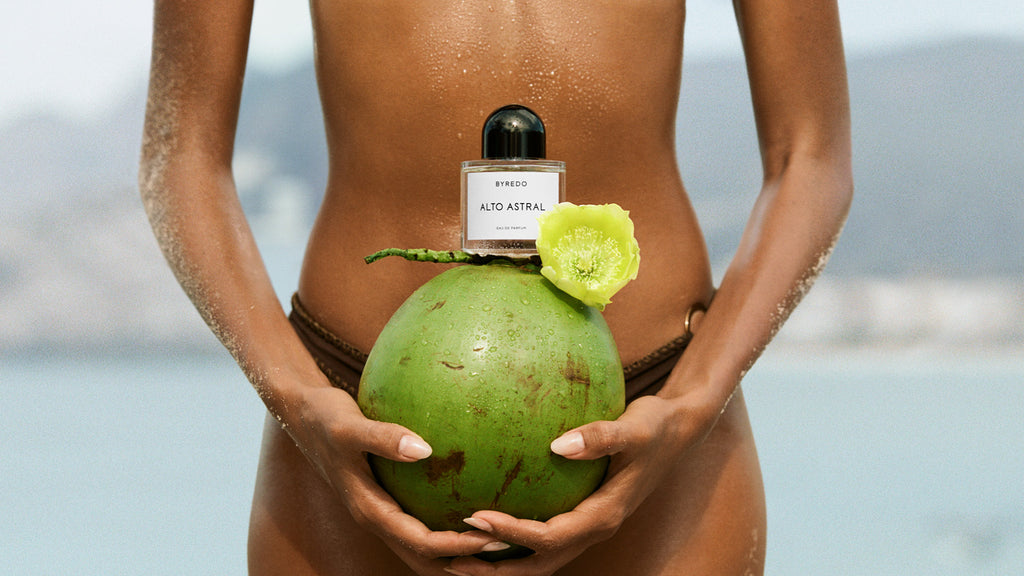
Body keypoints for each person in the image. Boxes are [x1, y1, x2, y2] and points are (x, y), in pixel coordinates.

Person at [139, 0, 851, 574]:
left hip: (661, 414)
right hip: (348, 420)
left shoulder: (678, 411)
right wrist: (297, 397)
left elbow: (810, 156)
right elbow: (183, 158)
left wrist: (693, 403)